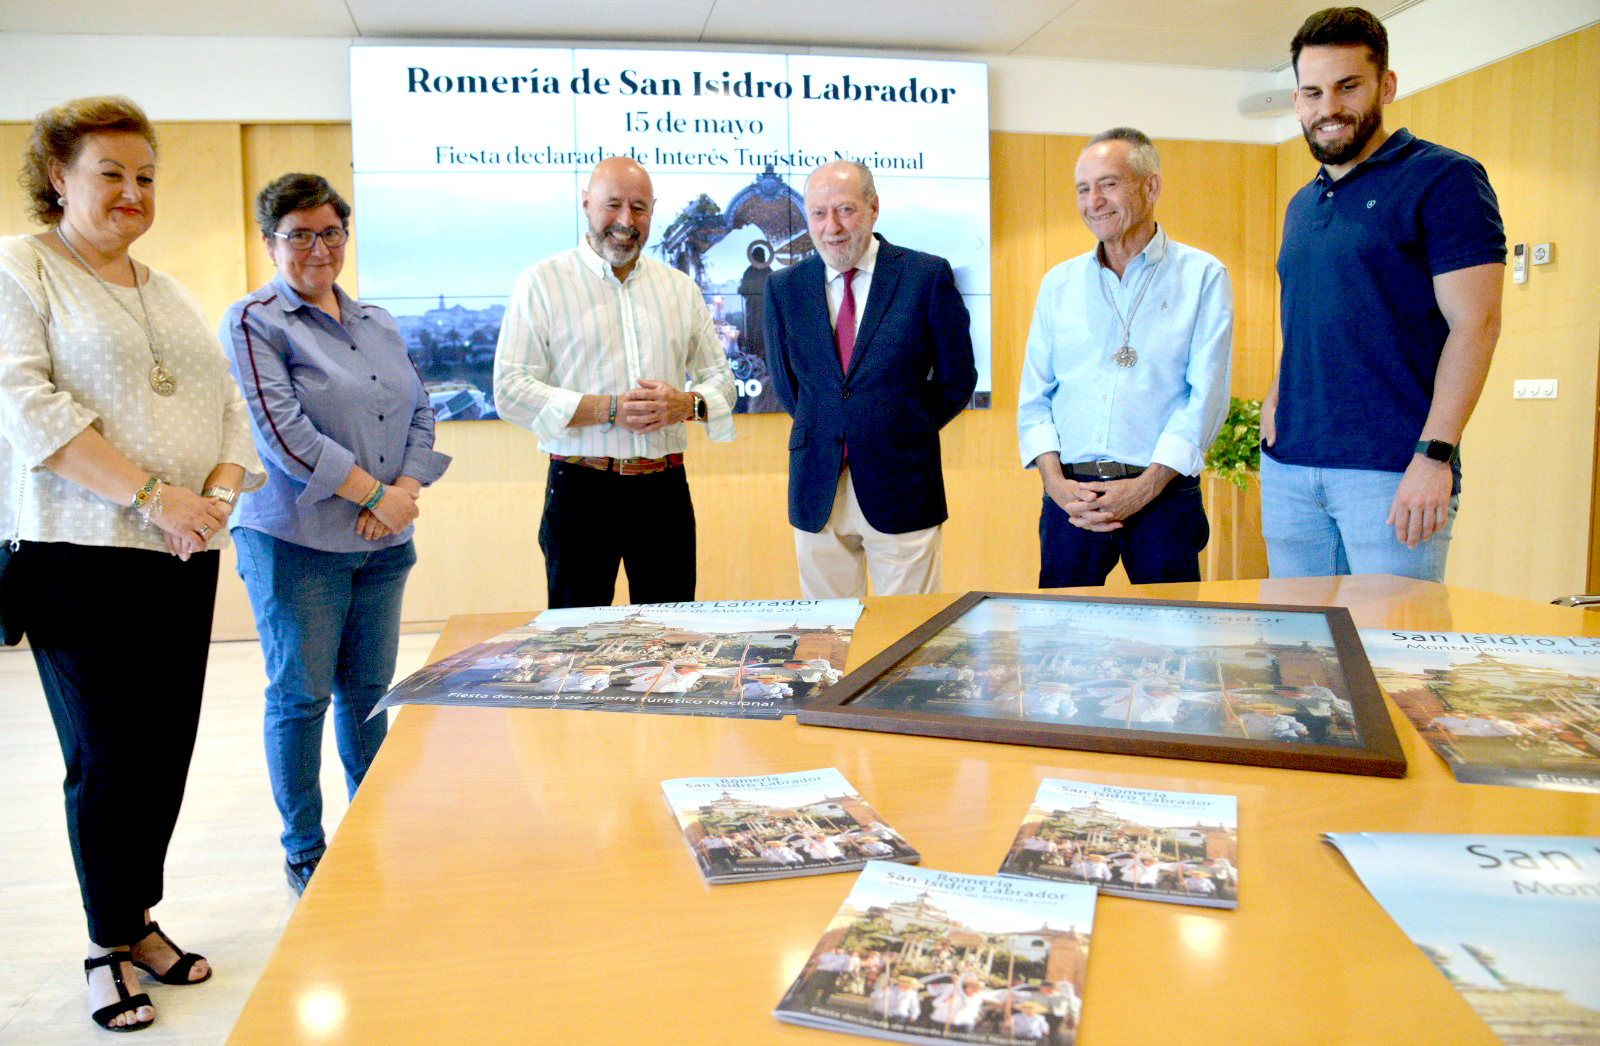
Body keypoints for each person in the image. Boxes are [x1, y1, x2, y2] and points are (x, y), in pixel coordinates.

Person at [0, 96, 263, 1031]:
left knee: (162, 752)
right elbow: (28, 410)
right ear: (57, 178)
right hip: (78, 555)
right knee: (108, 756)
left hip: (182, 552)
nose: (132, 192)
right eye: (109, 173)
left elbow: (229, 405)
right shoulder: (22, 267)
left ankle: (137, 920)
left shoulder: (168, 288)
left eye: (145, 175)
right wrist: (157, 497)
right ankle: (105, 945)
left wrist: (216, 498)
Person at [221, 173, 451, 897]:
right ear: (270, 241)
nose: (318, 248)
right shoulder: (253, 321)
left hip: (382, 543)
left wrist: (403, 493)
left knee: (369, 694)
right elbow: (283, 435)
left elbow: (421, 411)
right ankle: (306, 851)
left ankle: (371, 830)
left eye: (331, 233)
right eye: (300, 235)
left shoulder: (377, 321)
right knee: (301, 698)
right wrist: (378, 495)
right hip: (296, 544)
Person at [1261, 6, 1505, 581]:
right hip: (1290, 469)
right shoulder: (1302, 203)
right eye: (1313, 92)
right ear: (1297, 100)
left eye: (1347, 87)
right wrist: (1275, 394)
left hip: (1392, 472)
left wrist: (1435, 456)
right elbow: (1311, 317)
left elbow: (1476, 324)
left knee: (1391, 639)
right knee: (1297, 638)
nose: (1328, 108)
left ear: (1386, 85)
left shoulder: (1444, 179)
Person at [493, 156, 736, 609]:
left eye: (639, 208)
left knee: (672, 634)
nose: (626, 220)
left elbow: (722, 381)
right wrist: (607, 409)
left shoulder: (680, 288)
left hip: (664, 490)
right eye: (613, 205)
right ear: (586, 203)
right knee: (576, 638)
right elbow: (510, 390)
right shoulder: (542, 283)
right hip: (580, 489)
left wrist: (687, 404)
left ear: (652, 211)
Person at [1017, 127, 1233, 588]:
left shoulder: (1203, 276)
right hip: (1072, 499)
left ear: (1151, 187)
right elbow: (1035, 397)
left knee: (1174, 629)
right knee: (1060, 627)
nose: (1093, 201)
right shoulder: (1058, 284)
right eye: (1082, 189)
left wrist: (1145, 487)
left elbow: (1207, 397)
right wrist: (1056, 486)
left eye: (1108, 184)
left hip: (1163, 497)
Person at [765, 160, 977, 599]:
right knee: (828, 631)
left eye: (845, 210)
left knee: (909, 630)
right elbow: (789, 387)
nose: (832, 227)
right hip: (817, 486)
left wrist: (902, 427)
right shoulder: (785, 288)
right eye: (818, 214)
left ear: (873, 207)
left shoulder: (925, 276)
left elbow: (957, 379)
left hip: (903, 481)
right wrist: (833, 424)